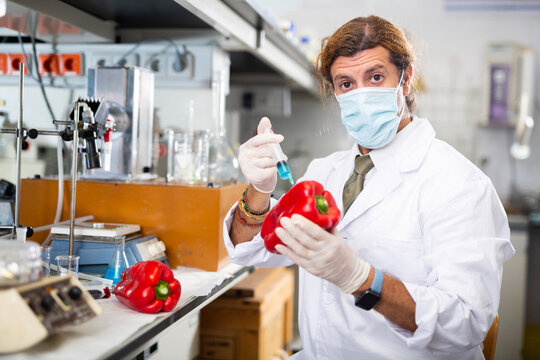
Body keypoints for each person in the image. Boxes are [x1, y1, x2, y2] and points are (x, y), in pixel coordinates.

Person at [223, 15, 514, 359]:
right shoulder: (324, 172)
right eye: (346, 83)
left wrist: (362, 279)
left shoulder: (458, 184)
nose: (360, 94)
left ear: (405, 81)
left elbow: (467, 322)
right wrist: (258, 188)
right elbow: (250, 250)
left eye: (375, 77)